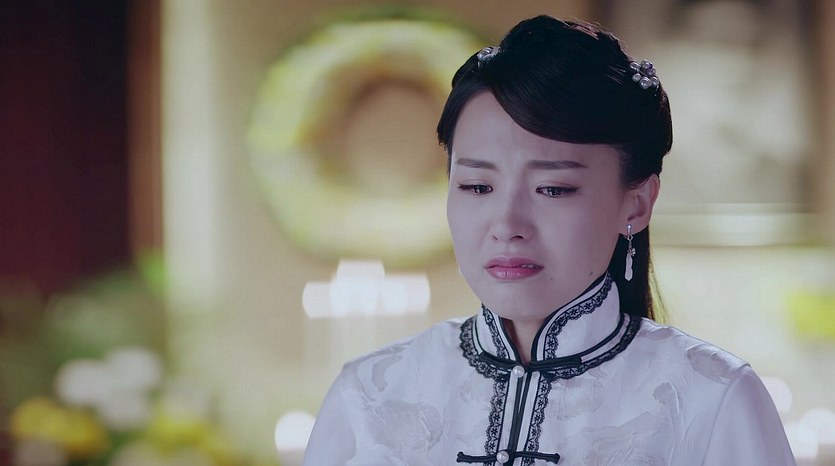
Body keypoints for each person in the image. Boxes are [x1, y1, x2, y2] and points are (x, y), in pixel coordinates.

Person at [303, 16, 796, 465]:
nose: (507, 224)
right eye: (477, 186)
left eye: (553, 189)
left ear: (636, 204)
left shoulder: (713, 400)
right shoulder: (369, 396)